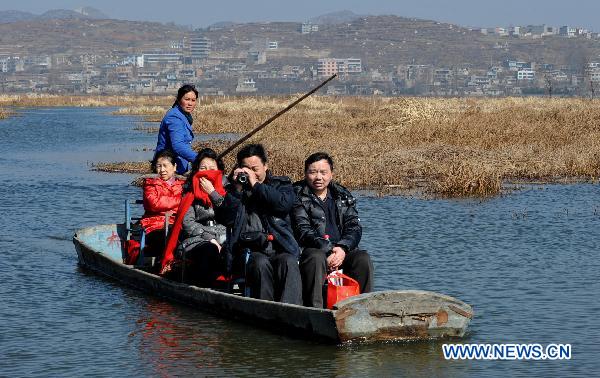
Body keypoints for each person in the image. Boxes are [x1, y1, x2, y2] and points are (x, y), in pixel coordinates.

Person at [219, 144, 302, 304]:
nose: (251, 173)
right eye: (246, 168)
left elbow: (282, 205)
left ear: (266, 166)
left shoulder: (282, 185)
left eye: (255, 168)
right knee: (259, 263)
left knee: (289, 262)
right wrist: (236, 189)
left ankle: (290, 310)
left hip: (280, 246)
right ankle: (266, 310)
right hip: (248, 249)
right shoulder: (234, 190)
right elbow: (225, 218)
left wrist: (256, 185)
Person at [292, 152, 373, 308]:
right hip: (310, 250)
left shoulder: (342, 194)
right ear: (305, 173)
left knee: (362, 258)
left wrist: (342, 248)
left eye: (323, 172)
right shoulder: (297, 194)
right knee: (316, 257)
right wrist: (328, 251)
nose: (318, 177)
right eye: (313, 172)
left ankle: (362, 308)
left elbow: (354, 226)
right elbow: (303, 230)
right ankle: (315, 309)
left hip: (340, 250)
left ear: (331, 174)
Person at [177, 148, 228, 286]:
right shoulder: (189, 190)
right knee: (209, 250)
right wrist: (210, 238)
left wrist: (212, 192)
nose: (208, 172)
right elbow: (187, 223)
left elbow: (231, 216)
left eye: (212, 168)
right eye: (203, 168)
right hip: (197, 238)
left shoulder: (228, 188)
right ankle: (206, 289)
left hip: (224, 236)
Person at [140, 149, 185, 261]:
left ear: (174, 167)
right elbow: (154, 203)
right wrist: (179, 202)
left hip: (177, 223)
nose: (162, 170)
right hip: (154, 224)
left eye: (165, 166)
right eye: (159, 166)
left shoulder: (183, 184)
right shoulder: (150, 183)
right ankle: (165, 264)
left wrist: (168, 203)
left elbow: (188, 203)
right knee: (167, 236)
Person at [155, 84, 199, 175]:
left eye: (193, 100)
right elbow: (178, 145)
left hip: (178, 165)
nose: (190, 103)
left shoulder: (184, 115)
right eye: (186, 99)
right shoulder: (174, 117)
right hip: (168, 167)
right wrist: (200, 160)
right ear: (179, 100)